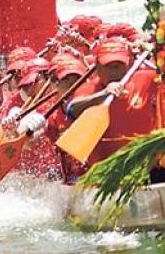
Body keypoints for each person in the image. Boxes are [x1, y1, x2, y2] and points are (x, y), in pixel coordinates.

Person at [65, 37, 158, 165]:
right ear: (97, 67)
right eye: (108, 66)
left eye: (118, 66)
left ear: (129, 63)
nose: (114, 72)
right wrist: (103, 94)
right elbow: (71, 110)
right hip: (109, 166)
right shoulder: (89, 89)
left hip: (148, 161)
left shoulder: (145, 79)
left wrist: (160, 48)